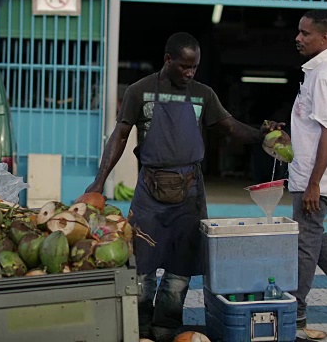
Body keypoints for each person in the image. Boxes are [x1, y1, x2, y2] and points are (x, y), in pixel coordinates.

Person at [85, 32, 281, 341]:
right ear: (168, 60)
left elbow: (231, 127)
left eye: (194, 68)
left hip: (190, 191)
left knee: (180, 271)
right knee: (143, 269)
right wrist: (98, 181)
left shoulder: (203, 94)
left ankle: (166, 328)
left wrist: (261, 135)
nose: (189, 73)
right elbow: (120, 135)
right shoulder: (141, 91)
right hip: (149, 190)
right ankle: (140, 325)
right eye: (184, 67)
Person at [290, 9, 327, 341]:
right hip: (307, 176)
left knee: (305, 245)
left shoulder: (326, 75)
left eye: (305, 33)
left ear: (324, 38)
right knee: (314, 238)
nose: (298, 37)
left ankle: (296, 316)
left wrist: (314, 183)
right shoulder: (317, 71)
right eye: (299, 31)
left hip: (314, 180)